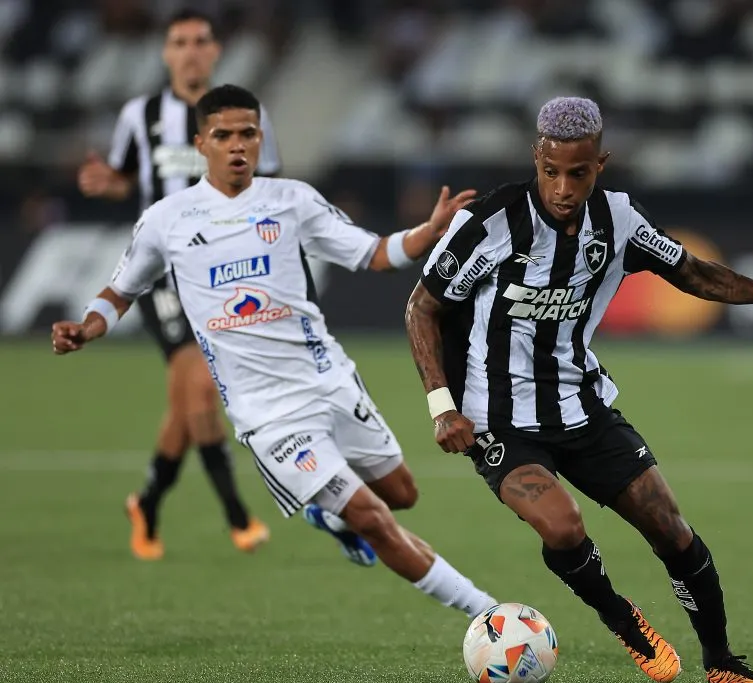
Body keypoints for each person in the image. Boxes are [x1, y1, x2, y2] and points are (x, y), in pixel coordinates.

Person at [405, 97, 753, 683]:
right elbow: (422, 306)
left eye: (579, 173)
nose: (564, 187)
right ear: (537, 158)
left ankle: (721, 661)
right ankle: (624, 621)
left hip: (582, 406)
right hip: (498, 419)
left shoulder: (619, 222)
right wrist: (443, 407)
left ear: (601, 163)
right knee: (562, 528)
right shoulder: (490, 221)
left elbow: (691, 271)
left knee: (670, 527)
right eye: (552, 171)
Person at [53, 83, 497, 620]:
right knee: (375, 521)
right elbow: (119, 291)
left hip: (330, 380)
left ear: (261, 137)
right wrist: (87, 326)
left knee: (401, 496)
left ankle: (330, 517)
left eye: (247, 133)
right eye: (223, 135)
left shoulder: (292, 200)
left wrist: (426, 232)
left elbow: (372, 254)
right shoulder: (167, 220)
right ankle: (492, 615)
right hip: (270, 416)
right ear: (201, 143)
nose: (237, 145)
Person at [77, 9, 282, 560]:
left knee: (185, 405)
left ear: (216, 51)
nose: (191, 51)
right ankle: (239, 518)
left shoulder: (247, 113)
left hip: (226, 273)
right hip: (164, 271)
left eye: (200, 41)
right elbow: (131, 176)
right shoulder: (139, 115)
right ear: (166, 53)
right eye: (179, 42)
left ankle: (146, 502)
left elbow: (270, 185)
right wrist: (111, 184)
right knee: (201, 390)